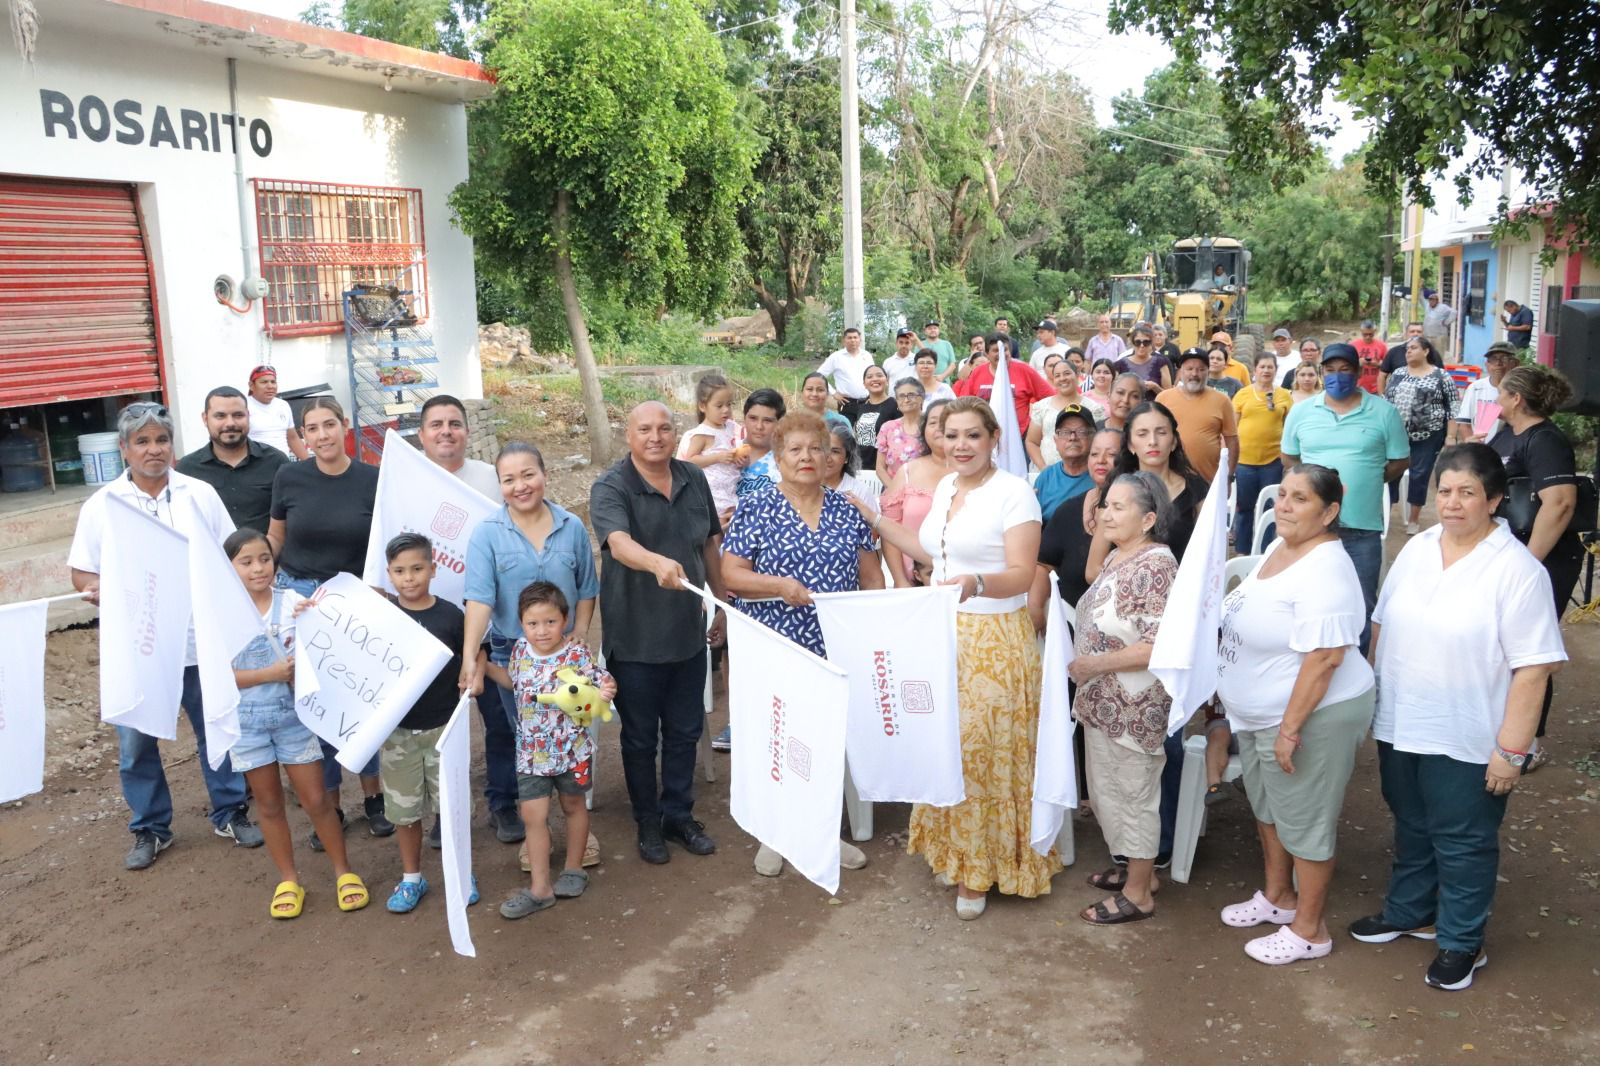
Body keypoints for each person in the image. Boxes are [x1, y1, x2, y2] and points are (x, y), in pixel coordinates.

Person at [1353, 444, 1566, 991]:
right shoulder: (1418, 548)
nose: (1452, 502)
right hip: (1403, 720)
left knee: (1464, 839)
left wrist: (1511, 750)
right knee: (1411, 820)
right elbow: (1380, 626)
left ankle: (1462, 941)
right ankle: (1410, 912)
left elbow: (1533, 670)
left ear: (1494, 499)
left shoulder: (1516, 571)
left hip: (1470, 735)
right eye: (1444, 490)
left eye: (1467, 492)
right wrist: (1371, 702)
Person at [854, 398, 1060, 918]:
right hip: (944, 634)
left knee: (986, 752)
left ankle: (983, 870)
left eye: (973, 435)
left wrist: (978, 582)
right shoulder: (945, 487)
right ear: (939, 440)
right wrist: (872, 517)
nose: (961, 445)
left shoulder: (1015, 493)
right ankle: (954, 850)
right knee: (947, 746)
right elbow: (932, 556)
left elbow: (1023, 571)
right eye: (952, 435)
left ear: (993, 438)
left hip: (996, 639)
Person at [68, 402, 260, 870]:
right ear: (123, 449)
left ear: (172, 445)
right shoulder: (103, 506)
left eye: (161, 440)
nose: (154, 450)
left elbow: (231, 554)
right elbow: (81, 572)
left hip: (199, 641)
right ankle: (150, 827)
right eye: (142, 442)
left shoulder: (199, 494)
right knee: (136, 743)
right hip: (139, 649)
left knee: (213, 724)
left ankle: (230, 811)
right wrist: (98, 591)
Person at [1214, 466, 1376, 963]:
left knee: (1305, 822)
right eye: (1282, 495)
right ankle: (1279, 898)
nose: (1284, 505)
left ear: (1328, 513)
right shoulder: (1281, 549)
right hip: (1262, 716)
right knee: (1269, 810)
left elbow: (1326, 658)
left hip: (1311, 717)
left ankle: (1310, 930)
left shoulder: (1326, 569)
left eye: (1300, 499)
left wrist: (1289, 729)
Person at [721, 411, 884, 875]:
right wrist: (778, 585)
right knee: (777, 734)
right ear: (778, 457)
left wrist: (868, 627)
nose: (808, 458)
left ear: (833, 456)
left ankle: (823, 833)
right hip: (774, 642)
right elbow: (731, 575)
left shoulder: (844, 509)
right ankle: (777, 833)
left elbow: (871, 579)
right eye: (795, 449)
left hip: (833, 645)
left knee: (825, 738)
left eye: (818, 448)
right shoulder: (758, 506)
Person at [589, 401, 727, 864]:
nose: (655, 437)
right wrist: (655, 562)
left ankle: (678, 815)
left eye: (665, 428)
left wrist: (720, 603)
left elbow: (709, 542)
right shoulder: (611, 486)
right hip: (635, 638)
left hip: (688, 630)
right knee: (640, 737)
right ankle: (647, 820)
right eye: (644, 429)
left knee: (686, 730)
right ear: (629, 436)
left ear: (676, 433)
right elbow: (618, 544)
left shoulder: (694, 478)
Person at [462, 441, 598, 853]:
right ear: (499, 485)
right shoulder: (487, 533)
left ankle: (579, 830)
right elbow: (480, 599)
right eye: (509, 479)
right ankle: (537, 833)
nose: (520, 486)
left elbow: (587, 587)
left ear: (544, 474)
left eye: (528, 475)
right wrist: (471, 657)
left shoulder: (571, 526)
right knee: (531, 742)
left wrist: (582, 631)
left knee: (573, 737)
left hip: (566, 659)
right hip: (511, 654)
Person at [223, 528, 367, 918]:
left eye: (264, 559)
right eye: (246, 562)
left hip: (295, 720)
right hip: (247, 726)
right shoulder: (219, 614)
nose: (258, 569)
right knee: (268, 805)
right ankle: (288, 879)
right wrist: (270, 673)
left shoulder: (295, 604)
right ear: (229, 567)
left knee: (317, 799)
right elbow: (217, 678)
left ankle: (343, 871)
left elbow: (325, 648)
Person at [265, 396, 390, 844]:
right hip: (300, 601)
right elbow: (275, 536)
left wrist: (378, 595)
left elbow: (382, 547)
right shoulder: (289, 476)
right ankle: (331, 807)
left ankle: (374, 797)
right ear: (302, 434)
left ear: (345, 426)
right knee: (318, 705)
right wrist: (260, 586)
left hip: (355, 600)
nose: (321, 436)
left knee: (361, 700)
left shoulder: (373, 480)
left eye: (328, 425)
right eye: (311, 428)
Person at [1070, 471, 1178, 925]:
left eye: (1119, 507)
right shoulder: (1119, 556)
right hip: (1104, 701)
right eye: (1104, 505)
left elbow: (1159, 645)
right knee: (1111, 791)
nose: (1106, 513)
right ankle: (1137, 872)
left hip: (1133, 704)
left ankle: (1139, 892)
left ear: (1149, 518)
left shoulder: (1156, 565)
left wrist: (1092, 665)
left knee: (1134, 795)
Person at [485, 582, 617, 918]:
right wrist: (483, 666)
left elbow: (601, 682)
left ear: (565, 619)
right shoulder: (519, 652)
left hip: (573, 751)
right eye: (533, 624)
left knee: (574, 805)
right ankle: (540, 888)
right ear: (522, 624)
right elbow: (513, 682)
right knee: (534, 817)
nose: (542, 631)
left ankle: (574, 869)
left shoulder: (576, 653)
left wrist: (607, 689)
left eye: (550, 622)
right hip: (530, 753)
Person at [1280, 343, 1409, 649]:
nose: (1337, 377)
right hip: (1310, 528)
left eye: (1345, 370)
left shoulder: (1384, 412)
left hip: (1361, 527)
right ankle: (1308, 664)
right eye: (1331, 370)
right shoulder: (1301, 412)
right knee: (1305, 600)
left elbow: (1400, 461)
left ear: (1358, 372)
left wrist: (1369, 478)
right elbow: (1289, 458)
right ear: (1322, 373)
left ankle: (1357, 671)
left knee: (1361, 603)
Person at [379, 533, 480, 914]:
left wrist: (477, 673)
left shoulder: (452, 615)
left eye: (418, 568)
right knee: (404, 814)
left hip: (445, 730)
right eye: (400, 571)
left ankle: (461, 873)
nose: (409, 578)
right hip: (397, 735)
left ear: (434, 569)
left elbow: (477, 654)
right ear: (388, 574)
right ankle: (411, 878)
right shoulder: (384, 617)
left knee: (451, 807)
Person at [1491, 364, 1584, 771]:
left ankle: (1525, 743)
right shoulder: (1512, 434)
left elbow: (1560, 502)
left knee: (1527, 648)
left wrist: (1528, 563)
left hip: (1540, 560)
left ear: (1517, 398)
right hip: (1507, 554)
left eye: (1502, 392)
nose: (1496, 397)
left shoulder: (1545, 440)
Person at [177, 385, 287, 534]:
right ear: (205, 418)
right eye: (220, 416)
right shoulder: (187, 470)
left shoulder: (276, 462)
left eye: (238, 415)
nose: (230, 423)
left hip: (269, 556)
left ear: (248, 416)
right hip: (211, 556)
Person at [1034, 426, 1122, 612]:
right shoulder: (1068, 509)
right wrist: (1035, 610)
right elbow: (1043, 564)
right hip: (1068, 622)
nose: (1101, 460)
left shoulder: (1139, 513)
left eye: (1112, 454)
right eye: (1094, 454)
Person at [1384, 336, 1456, 535]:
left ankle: (1414, 519)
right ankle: (1386, 514)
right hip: (1397, 435)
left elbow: (1452, 409)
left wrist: (1450, 437)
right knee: (1390, 474)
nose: (1408, 352)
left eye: (1413, 348)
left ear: (1426, 351)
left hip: (1429, 436)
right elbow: (1387, 404)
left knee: (1419, 475)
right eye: (1407, 349)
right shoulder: (1398, 374)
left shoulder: (1441, 376)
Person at [880, 400, 950, 585]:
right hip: (915, 582)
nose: (940, 427)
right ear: (924, 429)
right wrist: (900, 579)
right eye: (933, 422)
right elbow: (890, 530)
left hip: (966, 582)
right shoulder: (907, 472)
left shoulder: (974, 474)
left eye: (947, 421)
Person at [1232, 352, 1291, 553]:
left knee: (1271, 509)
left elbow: (1289, 427)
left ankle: (1266, 551)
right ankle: (1243, 550)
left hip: (1272, 462)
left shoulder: (1284, 395)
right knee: (1244, 509)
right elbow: (1232, 426)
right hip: (1244, 462)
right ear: (1255, 370)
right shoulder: (1243, 394)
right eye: (1262, 367)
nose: (1266, 370)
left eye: (1270, 367)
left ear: (1276, 370)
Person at [1157, 348, 1240, 483]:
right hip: (1169, 482)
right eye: (1189, 369)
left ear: (1208, 372)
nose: (1194, 374)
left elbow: (1232, 441)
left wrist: (1229, 476)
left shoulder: (1222, 401)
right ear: (1181, 371)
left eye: (1201, 369)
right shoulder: (1163, 398)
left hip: (1208, 481)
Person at [952, 332, 1055, 434]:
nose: (1001, 354)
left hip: (1018, 437)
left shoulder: (1024, 370)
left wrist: (1038, 423)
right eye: (996, 350)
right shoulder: (977, 373)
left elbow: (1051, 397)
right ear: (987, 354)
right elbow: (964, 404)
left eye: (1004, 350)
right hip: (985, 437)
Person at [677, 373, 744, 523]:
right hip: (713, 493)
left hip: (730, 488)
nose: (726, 410)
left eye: (729, 404)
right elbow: (690, 462)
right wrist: (717, 457)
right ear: (702, 406)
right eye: (719, 406)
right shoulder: (702, 433)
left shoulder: (731, 427)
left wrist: (738, 457)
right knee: (719, 528)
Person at [417, 394, 501, 498]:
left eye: (455, 424)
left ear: (467, 433)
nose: (446, 431)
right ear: (421, 435)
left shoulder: (493, 479)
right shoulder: (402, 481)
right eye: (436, 425)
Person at [1027, 359, 1103, 471]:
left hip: (1082, 473)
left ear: (1077, 374)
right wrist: (1044, 469)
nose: (1062, 378)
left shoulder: (1093, 408)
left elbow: (1099, 444)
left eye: (1067, 373)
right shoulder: (1042, 407)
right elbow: (1032, 441)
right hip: (1046, 473)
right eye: (1057, 375)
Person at [1031, 408, 1096, 521]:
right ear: (1055, 441)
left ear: (1093, 438)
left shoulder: (1101, 476)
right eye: (1065, 432)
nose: (1072, 438)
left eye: (1081, 432)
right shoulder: (1046, 478)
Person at [1454, 341, 1517, 446]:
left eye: (1504, 359)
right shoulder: (1475, 388)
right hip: (1483, 450)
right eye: (1493, 359)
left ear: (1515, 363)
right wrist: (1474, 447)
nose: (1498, 364)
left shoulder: (1520, 390)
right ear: (1487, 364)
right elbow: (1464, 424)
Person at [245, 365, 308, 459]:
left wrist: (309, 463)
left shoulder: (283, 405)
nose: (270, 386)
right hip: (255, 466)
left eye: (273, 382)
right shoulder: (243, 406)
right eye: (264, 382)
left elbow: (292, 438)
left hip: (282, 465)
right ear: (251, 386)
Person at [842, 367, 897, 474]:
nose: (875, 379)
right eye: (869, 377)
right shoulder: (862, 407)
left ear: (887, 380)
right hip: (859, 467)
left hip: (883, 470)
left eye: (879, 375)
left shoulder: (895, 405)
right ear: (864, 384)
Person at [735, 389, 786, 501]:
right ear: (744, 418)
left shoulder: (786, 462)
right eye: (753, 418)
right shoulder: (727, 451)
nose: (759, 426)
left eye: (767, 421)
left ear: (780, 424)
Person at [875, 377, 929, 482]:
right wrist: (894, 491)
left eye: (911, 395)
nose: (906, 400)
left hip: (924, 489)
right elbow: (880, 468)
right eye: (901, 396)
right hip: (892, 488)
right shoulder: (888, 427)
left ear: (922, 398)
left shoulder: (931, 425)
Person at [815, 327, 875, 406]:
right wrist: (833, 393)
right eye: (849, 338)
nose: (853, 340)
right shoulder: (836, 357)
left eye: (855, 337)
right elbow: (819, 375)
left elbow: (873, 375)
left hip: (867, 401)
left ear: (860, 340)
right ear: (844, 340)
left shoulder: (867, 356)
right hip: (846, 403)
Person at [1113, 324, 1171, 397]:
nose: (1142, 345)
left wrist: (1155, 387)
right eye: (1138, 342)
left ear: (1151, 343)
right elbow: (1114, 392)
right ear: (1133, 343)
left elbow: (1169, 395)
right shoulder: (1120, 364)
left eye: (1146, 342)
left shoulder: (1161, 362)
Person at [1378, 322, 1434, 393]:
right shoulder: (1394, 352)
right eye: (1412, 331)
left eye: (1419, 332)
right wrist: (1381, 397)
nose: (1415, 334)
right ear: (1406, 334)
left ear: (1423, 334)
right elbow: (1382, 375)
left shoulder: (1431, 352)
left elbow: (1439, 375)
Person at [1351, 320, 1387, 394]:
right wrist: (1358, 362)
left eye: (1371, 334)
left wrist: (1377, 364)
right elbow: (1347, 364)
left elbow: (1388, 366)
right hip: (1357, 387)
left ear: (1375, 331)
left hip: (1376, 388)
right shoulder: (1353, 345)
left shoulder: (1382, 346)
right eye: (1365, 334)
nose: (1368, 337)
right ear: (1361, 331)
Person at [1422, 288, 1457, 358]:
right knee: (1427, 355)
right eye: (1430, 299)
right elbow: (1421, 298)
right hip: (1427, 336)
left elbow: (1454, 312)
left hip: (1439, 337)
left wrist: (1447, 322)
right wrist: (1420, 288)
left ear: (1437, 300)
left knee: (1439, 355)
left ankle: (1438, 367)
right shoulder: (1427, 306)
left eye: (1433, 299)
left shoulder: (1443, 307)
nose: (1431, 301)